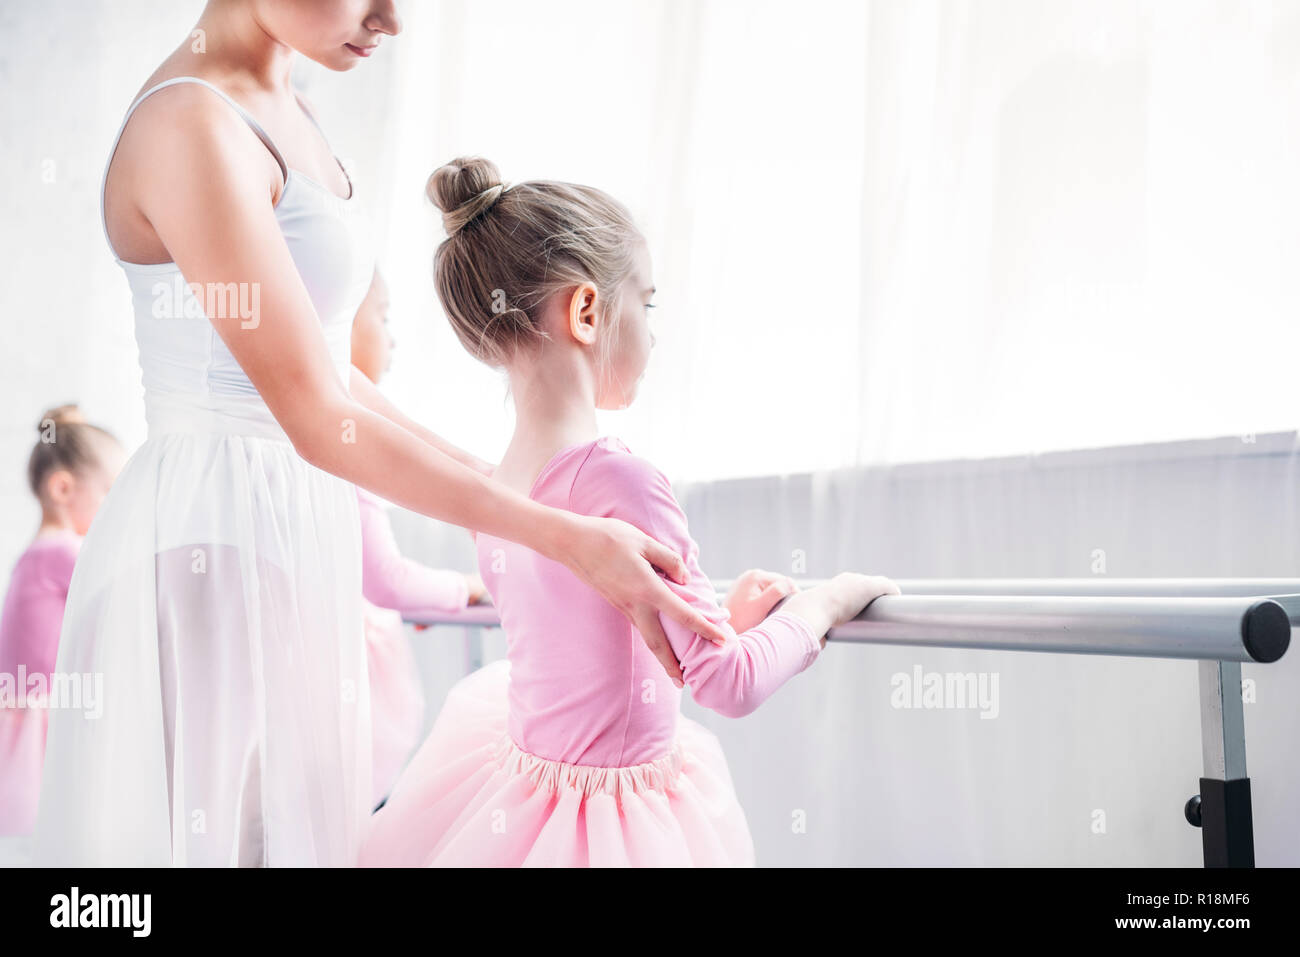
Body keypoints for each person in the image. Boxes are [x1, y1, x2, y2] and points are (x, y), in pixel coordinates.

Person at [36, 0, 727, 868]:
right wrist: (566, 535)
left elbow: (333, 373)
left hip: (289, 523)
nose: (391, 19)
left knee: (279, 836)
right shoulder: (190, 122)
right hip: (209, 541)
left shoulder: (289, 107)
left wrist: (516, 490)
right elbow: (316, 413)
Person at [358, 157, 899, 866]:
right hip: (608, 824)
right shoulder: (622, 480)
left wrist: (713, 618)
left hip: (524, 797)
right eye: (645, 304)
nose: (652, 331)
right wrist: (826, 603)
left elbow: (592, 637)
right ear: (586, 311)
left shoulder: (498, 485)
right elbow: (727, 683)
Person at [350, 266, 487, 807]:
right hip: (334, 689)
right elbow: (387, 580)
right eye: (383, 316)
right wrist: (463, 588)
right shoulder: (343, 447)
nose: (393, 338)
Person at [0, 406, 123, 836]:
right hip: (47, 711)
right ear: (64, 487)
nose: (115, 509)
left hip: (28, 708)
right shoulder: (65, 553)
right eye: (109, 492)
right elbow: (121, 600)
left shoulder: (34, 553)